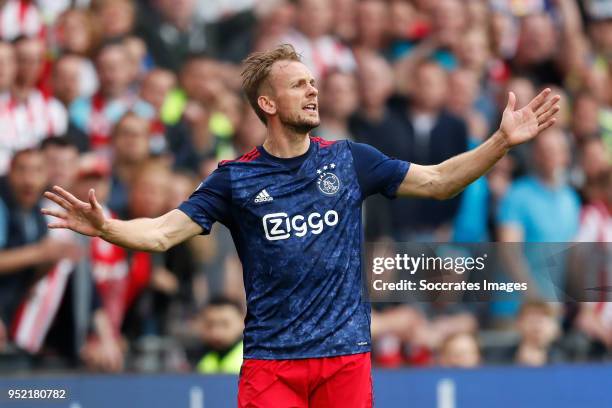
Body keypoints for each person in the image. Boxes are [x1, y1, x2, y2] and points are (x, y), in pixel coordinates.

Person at [42, 44, 559, 407]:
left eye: (313, 83)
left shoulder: (351, 159)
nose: (313, 91)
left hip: (345, 358)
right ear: (267, 104)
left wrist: (501, 143)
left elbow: (442, 180)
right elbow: (159, 233)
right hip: (271, 364)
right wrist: (106, 227)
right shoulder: (234, 180)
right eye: (298, 85)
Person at [192, 296, 244, 374]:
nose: (216, 333)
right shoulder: (204, 362)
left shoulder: (256, 359)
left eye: (225, 324)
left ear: (243, 322)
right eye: (210, 325)